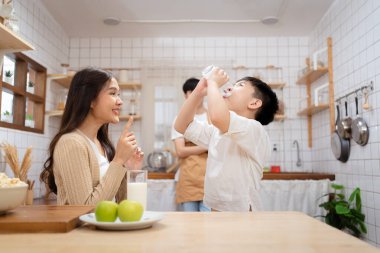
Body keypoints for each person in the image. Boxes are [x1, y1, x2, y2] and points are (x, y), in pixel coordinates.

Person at [174, 67, 279, 212]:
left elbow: (217, 117)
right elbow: (181, 126)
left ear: (254, 103)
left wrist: (213, 83)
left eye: (239, 85)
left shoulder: (254, 130)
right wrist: (198, 92)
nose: (230, 87)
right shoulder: (217, 132)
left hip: (242, 210)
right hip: (216, 208)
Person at [40, 67, 143, 205]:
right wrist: (118, 161)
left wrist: (131, 169)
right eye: (113, 93)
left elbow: (121, 203)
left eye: (119, 94)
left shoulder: (102, 145)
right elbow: (84, 209)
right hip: (82, 228)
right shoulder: (70, 143)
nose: (120, 101)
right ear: (90, 100)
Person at [171, 78, 210, 212]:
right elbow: (180, 151)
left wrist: (191, 148)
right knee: (189, 225)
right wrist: (207, 146)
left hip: (209, 179)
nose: (195, 95)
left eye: (197, 91)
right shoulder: (180, 119)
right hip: (188, 180)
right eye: (191, 92)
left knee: (208, 223)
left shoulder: (212, 116)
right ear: (186, 95)